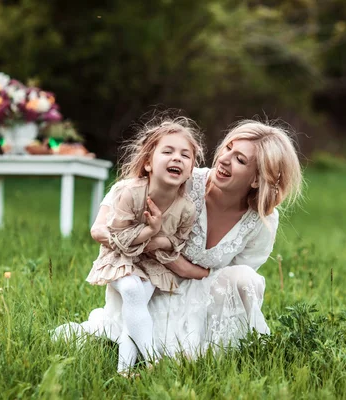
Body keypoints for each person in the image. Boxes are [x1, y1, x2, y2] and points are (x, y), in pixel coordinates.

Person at [54, 119, 302, 367]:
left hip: (203, 297)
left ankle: (209, 347)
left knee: (247, 280)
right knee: (155, 338)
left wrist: (186, 268)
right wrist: (114, 227)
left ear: (257, 180)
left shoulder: (262, 219)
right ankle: (148, 350)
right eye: (228, 148)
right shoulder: (186, 179)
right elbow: (131, 188)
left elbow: (238, 275)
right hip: (155, 285)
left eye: (240, 160)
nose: (224, 159)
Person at [79, 117, 204, 374]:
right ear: (148, 163)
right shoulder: (131, 192)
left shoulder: (186, 208)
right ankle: (150, 360)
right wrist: (149, 230)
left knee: (134, 309)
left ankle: (125, 372)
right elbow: (115, 233)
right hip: (118, 258)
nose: (177, 158)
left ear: (191, 169)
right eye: (167, 152)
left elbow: (177, 241)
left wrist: (158, 239)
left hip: (150, 265)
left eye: (185, 155)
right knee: (134, 294)